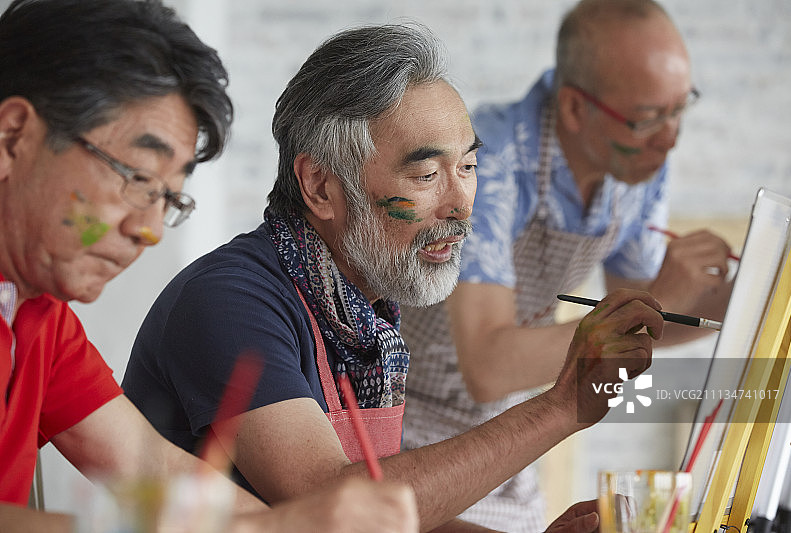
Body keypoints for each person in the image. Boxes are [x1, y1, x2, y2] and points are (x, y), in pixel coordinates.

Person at [122, 22, 666, 532]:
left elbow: (387, 515)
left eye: (469, 168)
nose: (460, 205)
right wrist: (563, 405)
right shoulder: (228, 303)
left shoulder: (365, 310)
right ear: (319, 186)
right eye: (427, 174)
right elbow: (332, 505)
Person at [0, 1, 420, 532]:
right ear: (14, 137)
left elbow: (151, 466)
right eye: (136, 178)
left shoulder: (40, 318)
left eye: (168, 199)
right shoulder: (231, 295)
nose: (147, 228)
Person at [399, 0, 734, 530]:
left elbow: (644, 325)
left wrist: (765, 284)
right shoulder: (488, 157)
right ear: (576, 109)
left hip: (507, 436)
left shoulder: (636, 164)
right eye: (647, 119)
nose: (670, 139)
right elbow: (487, 366)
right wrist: (660, 299)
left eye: (679, 109)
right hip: (406, 439)